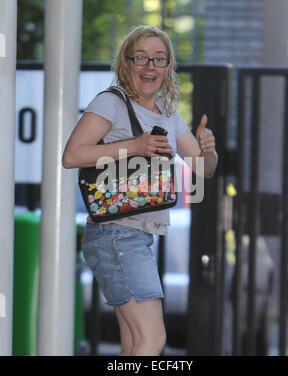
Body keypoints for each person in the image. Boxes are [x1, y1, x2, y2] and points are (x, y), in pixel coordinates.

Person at [62, 25, 217, 356]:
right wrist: (136, 145)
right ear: (126, 63)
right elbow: (72, 155)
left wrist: (208, 149)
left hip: (135, 236)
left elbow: (204, 169)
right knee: (152, 340)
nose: (151, 66)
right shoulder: (111, 103)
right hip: (117, 234)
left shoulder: (166, 110)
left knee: (134, 344)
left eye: (159, 59)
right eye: (142, 58)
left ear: (168, 67)